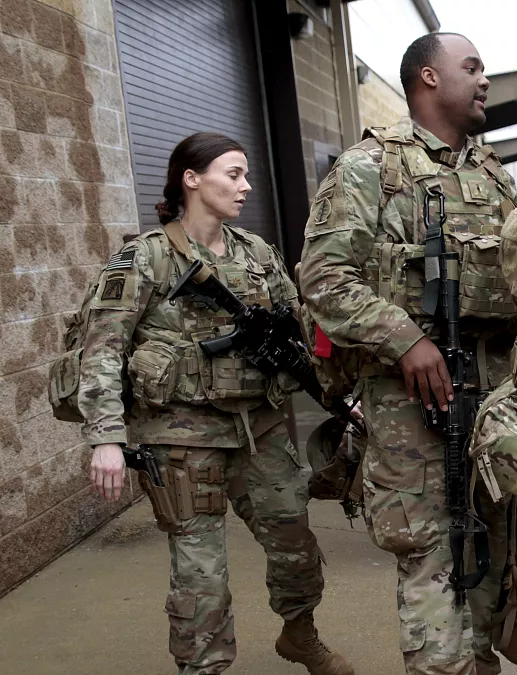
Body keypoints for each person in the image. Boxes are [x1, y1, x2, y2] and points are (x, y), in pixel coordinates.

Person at [82, 132, 354, 675]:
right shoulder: (145, 257)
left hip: (261, 429)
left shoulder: (256, 253)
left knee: (296, 546)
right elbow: (102, 350)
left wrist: (341, 396)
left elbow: (300, 335)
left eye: (247, 174)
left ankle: (300, 634)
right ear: (191, 179)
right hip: (180, 437)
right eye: (233, 174)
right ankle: (203, 667)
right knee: (200, 573)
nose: (246, 185)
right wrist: (106, 438)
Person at [297, 33, 517, 675]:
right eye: (471, 67)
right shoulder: (369, 167)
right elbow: (323, 278)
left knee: (491, 559)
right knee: (429, 558)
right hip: (410, 404)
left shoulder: (491, 174)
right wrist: (407, 341)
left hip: (493, 396)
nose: (484, 79)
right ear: (429, 77)